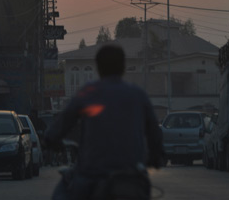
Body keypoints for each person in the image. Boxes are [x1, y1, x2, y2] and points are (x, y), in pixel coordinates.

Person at [44, 44, 164, 200]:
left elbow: (59, 127)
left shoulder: (87, 93)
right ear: (123, 68)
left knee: (62, 192)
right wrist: (156, 156)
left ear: (98, 68)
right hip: (131, 177)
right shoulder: (138, 95)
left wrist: (51, 140)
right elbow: (154, 133)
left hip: (92, 175)